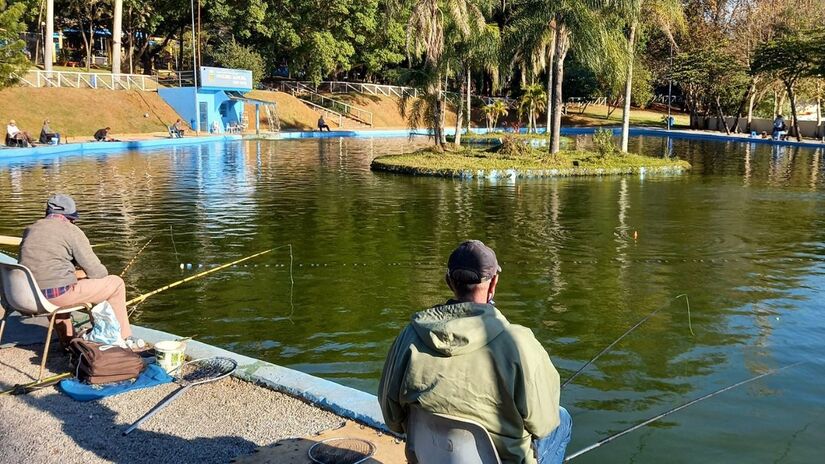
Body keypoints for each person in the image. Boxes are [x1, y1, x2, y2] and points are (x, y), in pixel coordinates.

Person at [379, 240, 572, 464]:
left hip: (426, 458)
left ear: (448, 281)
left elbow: (392, 418)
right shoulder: (519, 343)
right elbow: (544, 424)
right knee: (562, 420)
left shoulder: (409, 336)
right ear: (494, 284)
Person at [18, 194, 140, 348]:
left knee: (59, 286)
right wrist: (83, 274)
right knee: (116, 283)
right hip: (55, 298)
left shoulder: (30, 229)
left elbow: (44, 270)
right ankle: (123, 339)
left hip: (24, 297)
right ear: (71, 217)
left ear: (47, 213)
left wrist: (76, 274)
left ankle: (68, 342)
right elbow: (98, 273)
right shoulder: (72, 230)